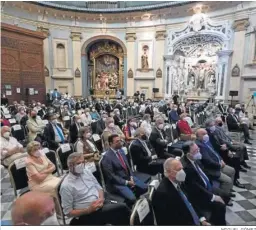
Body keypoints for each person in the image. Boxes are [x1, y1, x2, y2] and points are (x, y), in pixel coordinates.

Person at [59, 152, 130, 226]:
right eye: (78, 163)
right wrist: (88, 210)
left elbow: (98, 186)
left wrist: (101, 198)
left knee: (124, 203)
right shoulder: (66, 186)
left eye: (83, 162)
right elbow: (68, 212)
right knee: (122, 209)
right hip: (87, 214)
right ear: (70, 166)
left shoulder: (86, 171)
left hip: (100, 202)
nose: (82, 165)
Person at [152, 158, 210, 226]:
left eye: (182, 168)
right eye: (179, 169)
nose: (182, 172)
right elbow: (169, 222)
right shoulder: (162, 194)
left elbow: (190, 202)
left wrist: (202, 219)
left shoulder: (179, 182)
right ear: (169, 172)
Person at [181, 141, 226, 226]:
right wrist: (213, 196)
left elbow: (203, 173)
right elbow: (196, 188)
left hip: (207, 186)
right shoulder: (186, 168)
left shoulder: (195, 159)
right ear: (188, 154)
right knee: (220, 206)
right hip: (199, 195)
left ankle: (215, 219)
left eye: (198, 149)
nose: (198, 152)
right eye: (195, 151)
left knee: (226, 195)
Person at [101, 135, 148, 206]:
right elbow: (112, 176)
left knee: (145, 188)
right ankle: (129, 207)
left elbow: (128, 166)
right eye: (117, 141)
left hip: (128, 177)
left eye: (120, 140)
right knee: (132, 199)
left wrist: (131, 176)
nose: (120, 142)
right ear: (111, 144)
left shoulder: (121, 151)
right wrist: (127, 182)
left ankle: (136, 196)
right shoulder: (107, 157)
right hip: (117, 183)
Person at [205, 119, 246, 188]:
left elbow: (219, 142)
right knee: (235, 159)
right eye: (212, 125)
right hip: (219, 152)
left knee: (236, 157)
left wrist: (225, 146)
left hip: (222, 149)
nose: (213, 126)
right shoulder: (208, 135)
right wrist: (226, 149)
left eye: (214, 125)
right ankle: (235, 180)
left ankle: (236, 177)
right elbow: (214, 146)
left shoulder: (213, 132)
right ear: (208, 126)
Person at [195, 129, 235, 197]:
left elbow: (214, 152)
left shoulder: (205, 142)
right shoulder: (199, 146)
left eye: (206, 133)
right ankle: (224, 197)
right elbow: (208, 161)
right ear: (198, 136)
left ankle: (228, 190)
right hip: (212, 168)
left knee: (232, 170)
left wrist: (221, 159)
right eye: (204, 134)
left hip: (218, 163)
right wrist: (219, 165)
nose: (206, 135)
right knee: (227, 180)